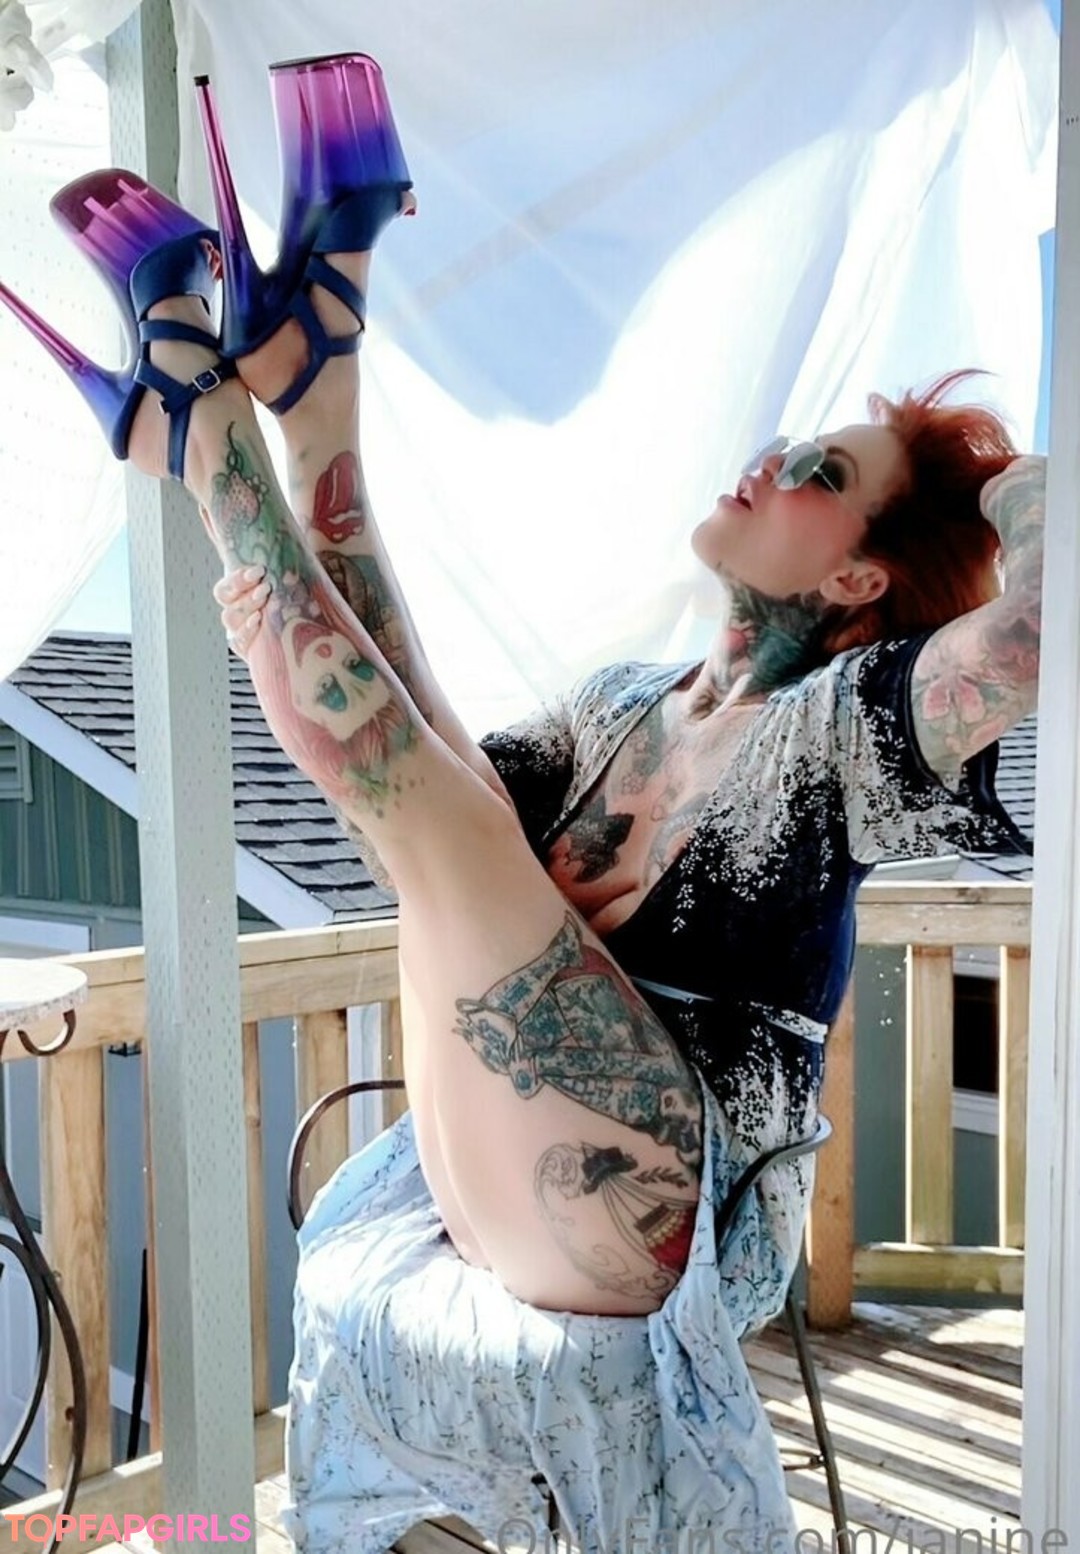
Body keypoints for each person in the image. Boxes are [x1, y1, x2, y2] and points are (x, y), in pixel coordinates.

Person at [1, 54, 1041, 1554]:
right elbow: (414, 752)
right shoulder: (627, 701)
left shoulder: (849, 729)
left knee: (443, 823)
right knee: (437, 793)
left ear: (857, 577)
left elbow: (1035, 631)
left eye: (819, 471)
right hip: (499, 1149)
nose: (768, 460)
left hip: (664, 1201)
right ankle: (302, 401)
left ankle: (217, 433)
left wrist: (1013, 483)